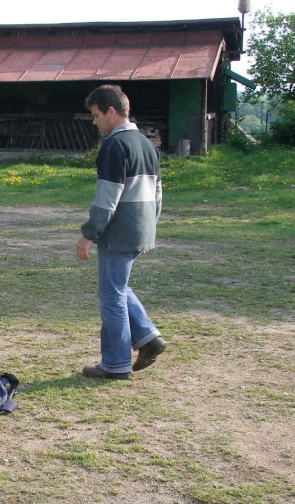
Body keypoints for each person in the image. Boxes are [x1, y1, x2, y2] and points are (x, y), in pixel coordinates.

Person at [76, 85, 167, 380]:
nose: (95, 122)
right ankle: (148, 338)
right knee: (118, 286)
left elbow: (107, 198)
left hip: (118, 232)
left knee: (111, 295)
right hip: (140, 228)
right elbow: (157, 193)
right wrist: (149, 230)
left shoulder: (115, 146)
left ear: (112, 112)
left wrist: (89, 234)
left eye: (96, 115)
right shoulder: (146, 145)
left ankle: (115, 364)